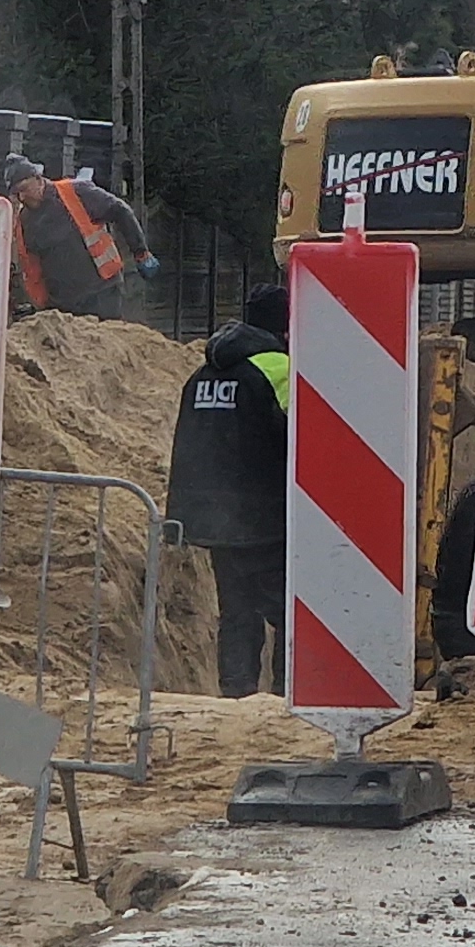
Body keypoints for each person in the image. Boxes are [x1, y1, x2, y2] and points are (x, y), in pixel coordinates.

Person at [170, 283, 292, 696]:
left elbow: (187, 446)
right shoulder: (279, 369)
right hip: (266, 520)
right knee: (288, 615)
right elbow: (301, 439)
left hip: (218, 522)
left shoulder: (203, 375)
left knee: (237, 612)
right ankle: (283, 696)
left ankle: (235, 696)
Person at [0, 155, 158, 321]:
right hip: (63, 305)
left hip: (102, 292)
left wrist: (141, 253)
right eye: (16, 194)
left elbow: (120, 210)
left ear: (38, 179)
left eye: (24, 189)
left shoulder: (75, 192)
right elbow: (31, 268)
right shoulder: (23, 222)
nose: (22, 198)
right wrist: (40, 306)